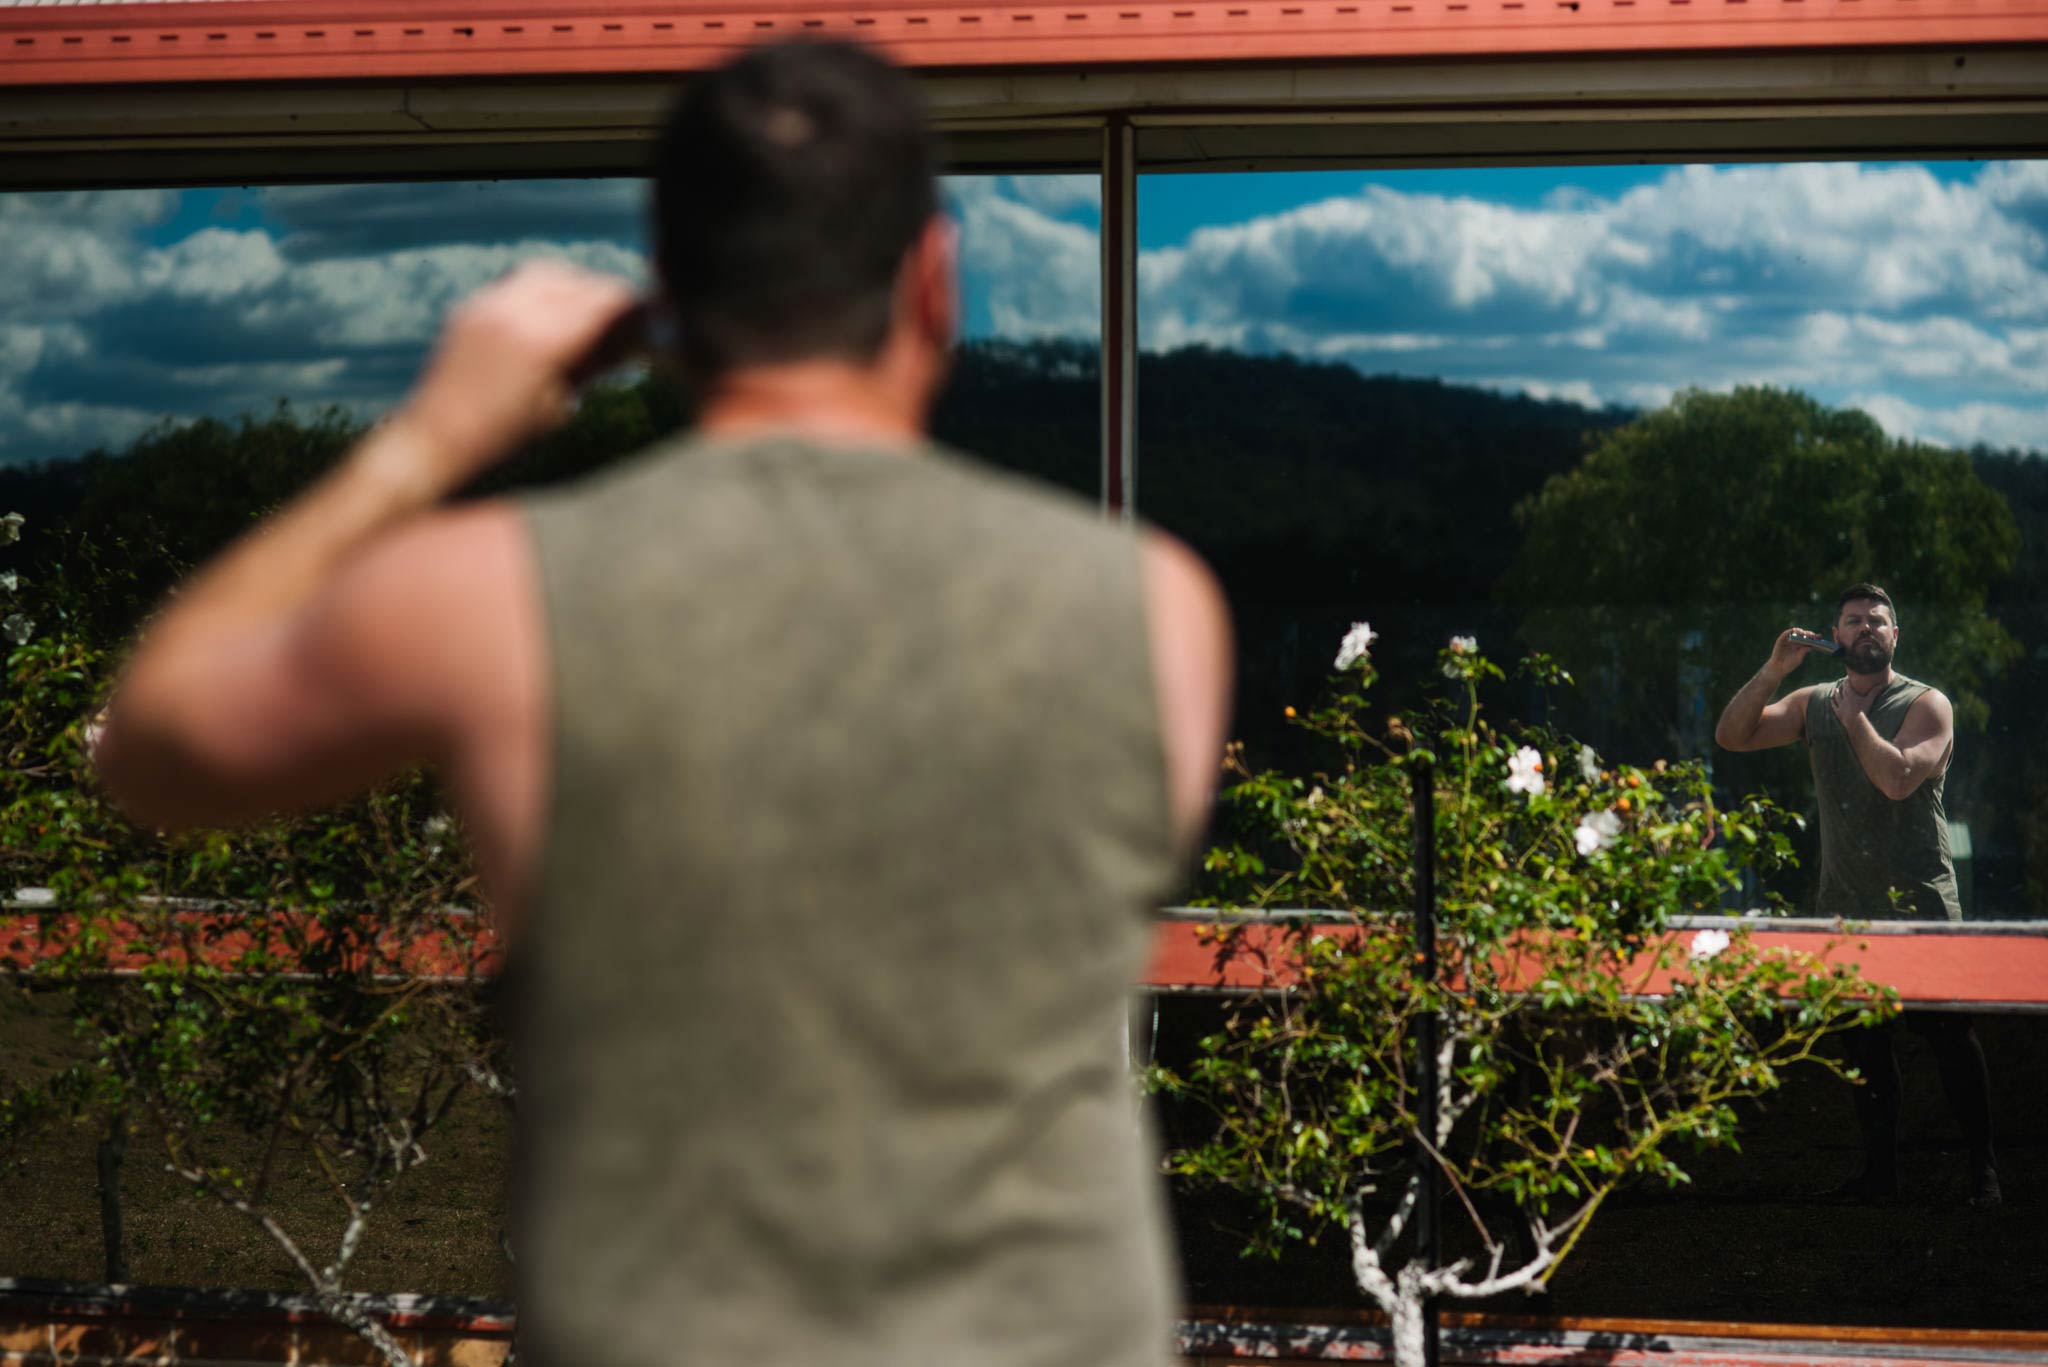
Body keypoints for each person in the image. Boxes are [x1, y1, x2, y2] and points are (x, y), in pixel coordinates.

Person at [93, 39, 1233, 1366]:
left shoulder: (497, 595)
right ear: (934, 280)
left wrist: (433, 438)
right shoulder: (1154, 607)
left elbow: (157, 744)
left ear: (669, 302)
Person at [1714, 583, 1998, 1206]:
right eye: (1852, 621)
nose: (1865, 628)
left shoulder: (1928, 703)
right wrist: (1774, 669)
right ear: (1835, 637)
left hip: (1921, 906)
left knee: (1951, 1040)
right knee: (1864, 1049)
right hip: (1845, 910)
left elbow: (1897, 779)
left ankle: (1983, 1171)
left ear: (1896, 636)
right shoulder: (1814, 700)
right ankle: (1881, 1175)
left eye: (1877, 621)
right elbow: (1733, 736)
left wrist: (1855, 721)